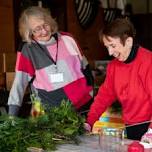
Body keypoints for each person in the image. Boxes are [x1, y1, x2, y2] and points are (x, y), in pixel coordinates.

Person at [8, 6, 93, 116]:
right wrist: (11, 116)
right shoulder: (28, 49)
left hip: (82, 107)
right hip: (47, 114)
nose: (43, 31)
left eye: (45, 25)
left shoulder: (68, 39)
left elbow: (86, 68)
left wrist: (91, 94)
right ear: (29, 32)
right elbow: (19, 83)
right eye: (37, 29)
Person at [85, 18, 152, 140]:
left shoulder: (148, 62)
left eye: (113, 46)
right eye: (107, 47)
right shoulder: (113, 66)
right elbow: (104, 96)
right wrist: (89, 122)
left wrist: (151, 131)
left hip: (148, 126)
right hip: (131, 126)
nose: (110, 52)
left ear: (128, 42)